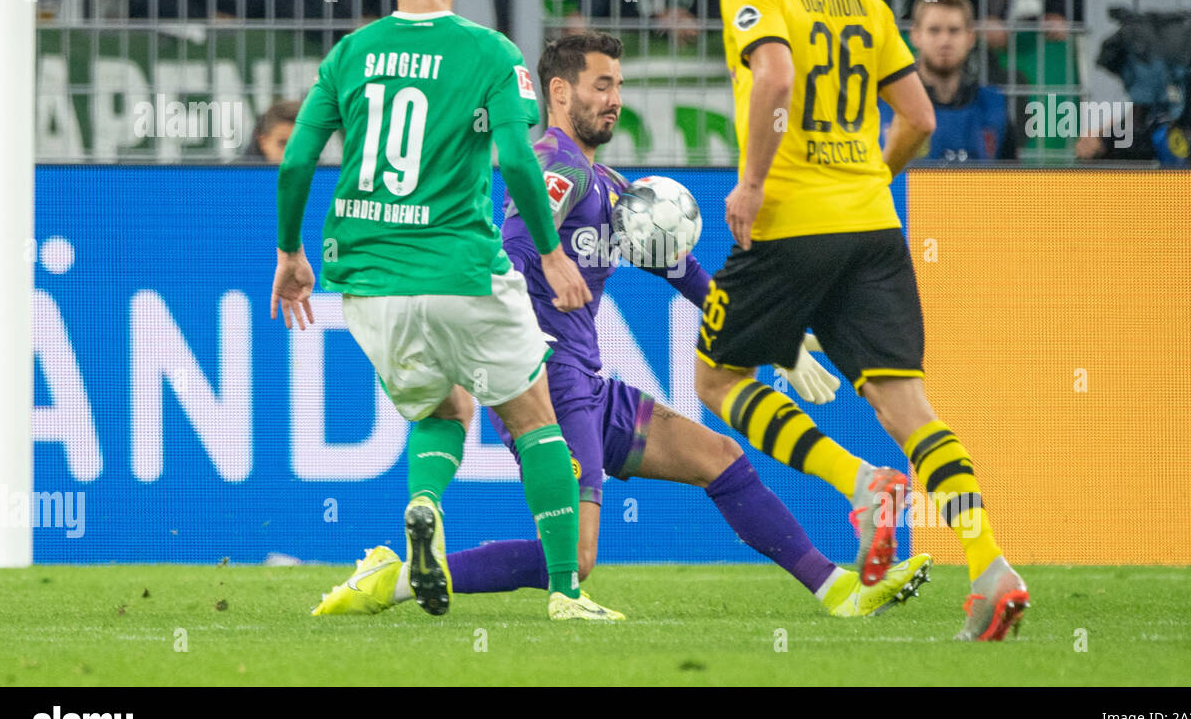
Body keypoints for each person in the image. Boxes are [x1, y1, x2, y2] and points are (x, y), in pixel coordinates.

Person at [312, 33, 933, 619]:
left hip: (587, 381)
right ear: (559, 92)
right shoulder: (553, 164)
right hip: (548, 377)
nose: (614, 100)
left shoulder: (608, 184)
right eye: (601, 85)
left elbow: (681, 269)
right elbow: (513, 243)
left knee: (719, 457)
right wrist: (547, 266)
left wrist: (772, 339)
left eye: (618, 86)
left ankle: (836, 590)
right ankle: (390, 584)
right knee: (577, 561)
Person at [694, 0, 1031, 641]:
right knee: (906, 405)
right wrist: (867, 178)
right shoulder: (865, 0)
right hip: (873, 223)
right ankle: (990, 567)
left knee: (716, 379)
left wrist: (750, 180)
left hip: (791, 221)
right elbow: (918, 119)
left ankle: (860, 484)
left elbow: (773, 77)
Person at [271, 0, 620, 622]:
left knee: (441, 408)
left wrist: (289, 251)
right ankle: (566, 592)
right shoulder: (489, 53)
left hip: (369, 280)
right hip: (461, 269)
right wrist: (551, 254)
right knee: (534, 418)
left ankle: (423, 504)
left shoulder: (349, 55)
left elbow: (298, 157)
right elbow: (518, 157)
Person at [880, 0, 1020, 161]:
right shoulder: (886, 103)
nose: (944, 41)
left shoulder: (993, 107)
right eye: (934, 30)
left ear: (970, 37)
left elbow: (1013, 181)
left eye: (954, 31)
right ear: (915, 36)